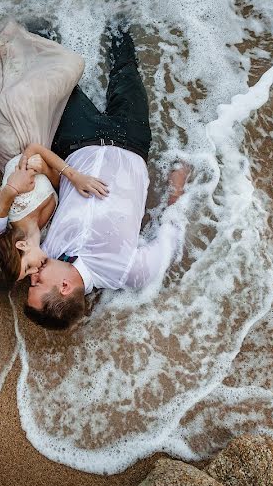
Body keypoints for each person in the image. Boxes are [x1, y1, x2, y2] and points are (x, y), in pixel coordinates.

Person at [24, 19, 189, 330]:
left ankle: (44, 19)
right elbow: (171, 234)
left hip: (77, 140)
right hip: (132, 140)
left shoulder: (46, 252)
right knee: (126, 69)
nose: (33, 276)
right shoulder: (129, 273)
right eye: (36, 284)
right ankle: (118, 15)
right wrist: (177, 183)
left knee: (51, 73)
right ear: (63, 288)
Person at [0, 17, 108, 294]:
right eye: (27, 275)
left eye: (27, 269)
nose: (34, 274)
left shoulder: (14, 209)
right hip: (36, 143)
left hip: (18, 134)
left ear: (21, 246)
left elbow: (34, 154)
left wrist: (72, 177)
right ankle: (36, 34)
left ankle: (12, 35)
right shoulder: (45, 237)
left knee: (72, 64)